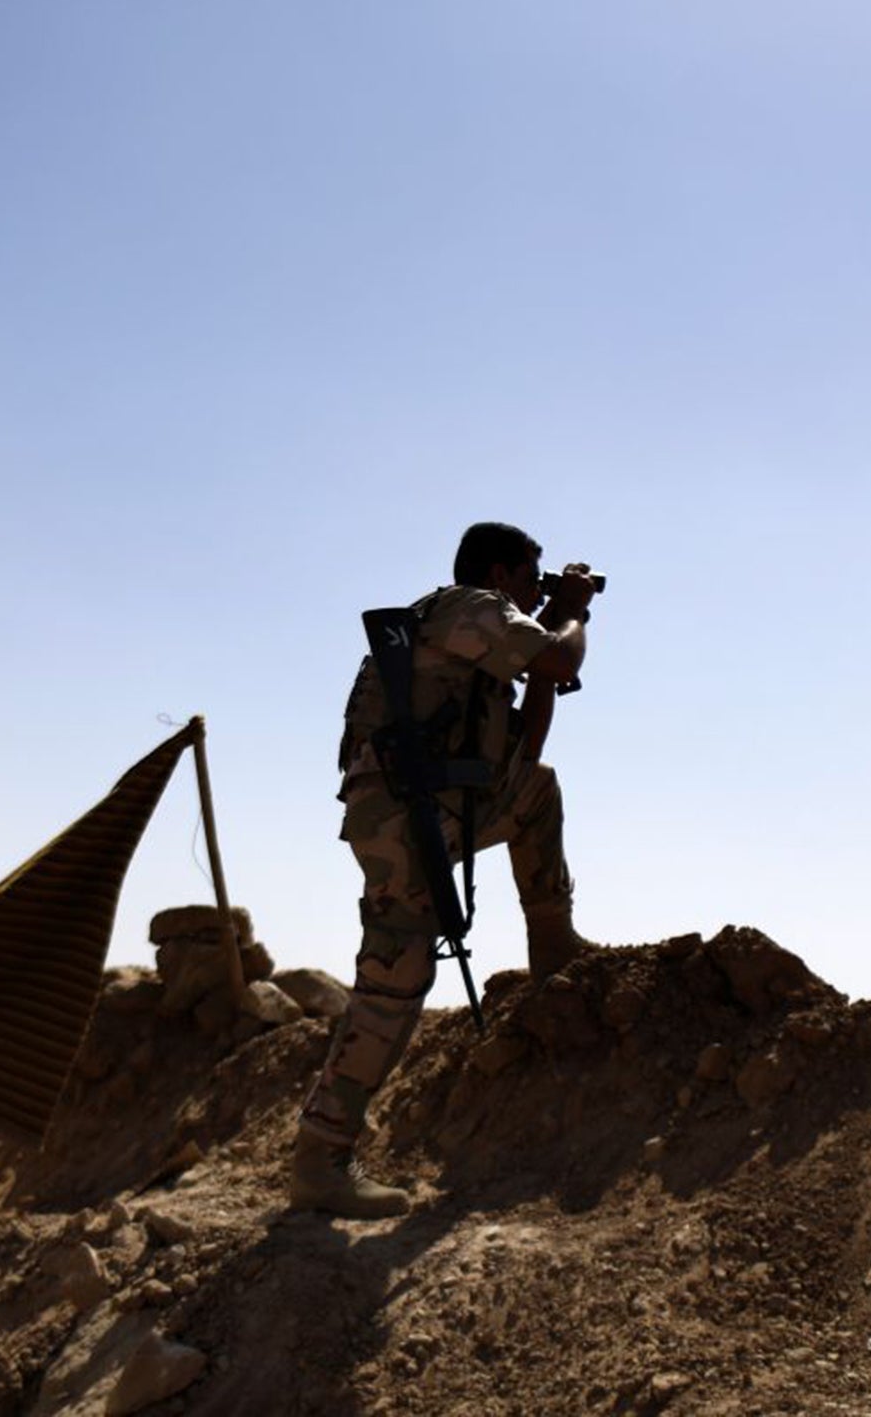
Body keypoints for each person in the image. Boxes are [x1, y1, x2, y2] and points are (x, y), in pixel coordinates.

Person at [291, 521, 599, 1218]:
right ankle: (320, 1157)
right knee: (397, 984)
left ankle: (554, 946)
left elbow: (524, 751)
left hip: (439, 805)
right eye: (530, 577)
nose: (536, 591)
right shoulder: (470, 606)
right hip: (404, 819)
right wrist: (573, 610)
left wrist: (544, 657)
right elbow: (559, 658)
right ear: (498, 572)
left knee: (537, 792)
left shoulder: (485, 634)